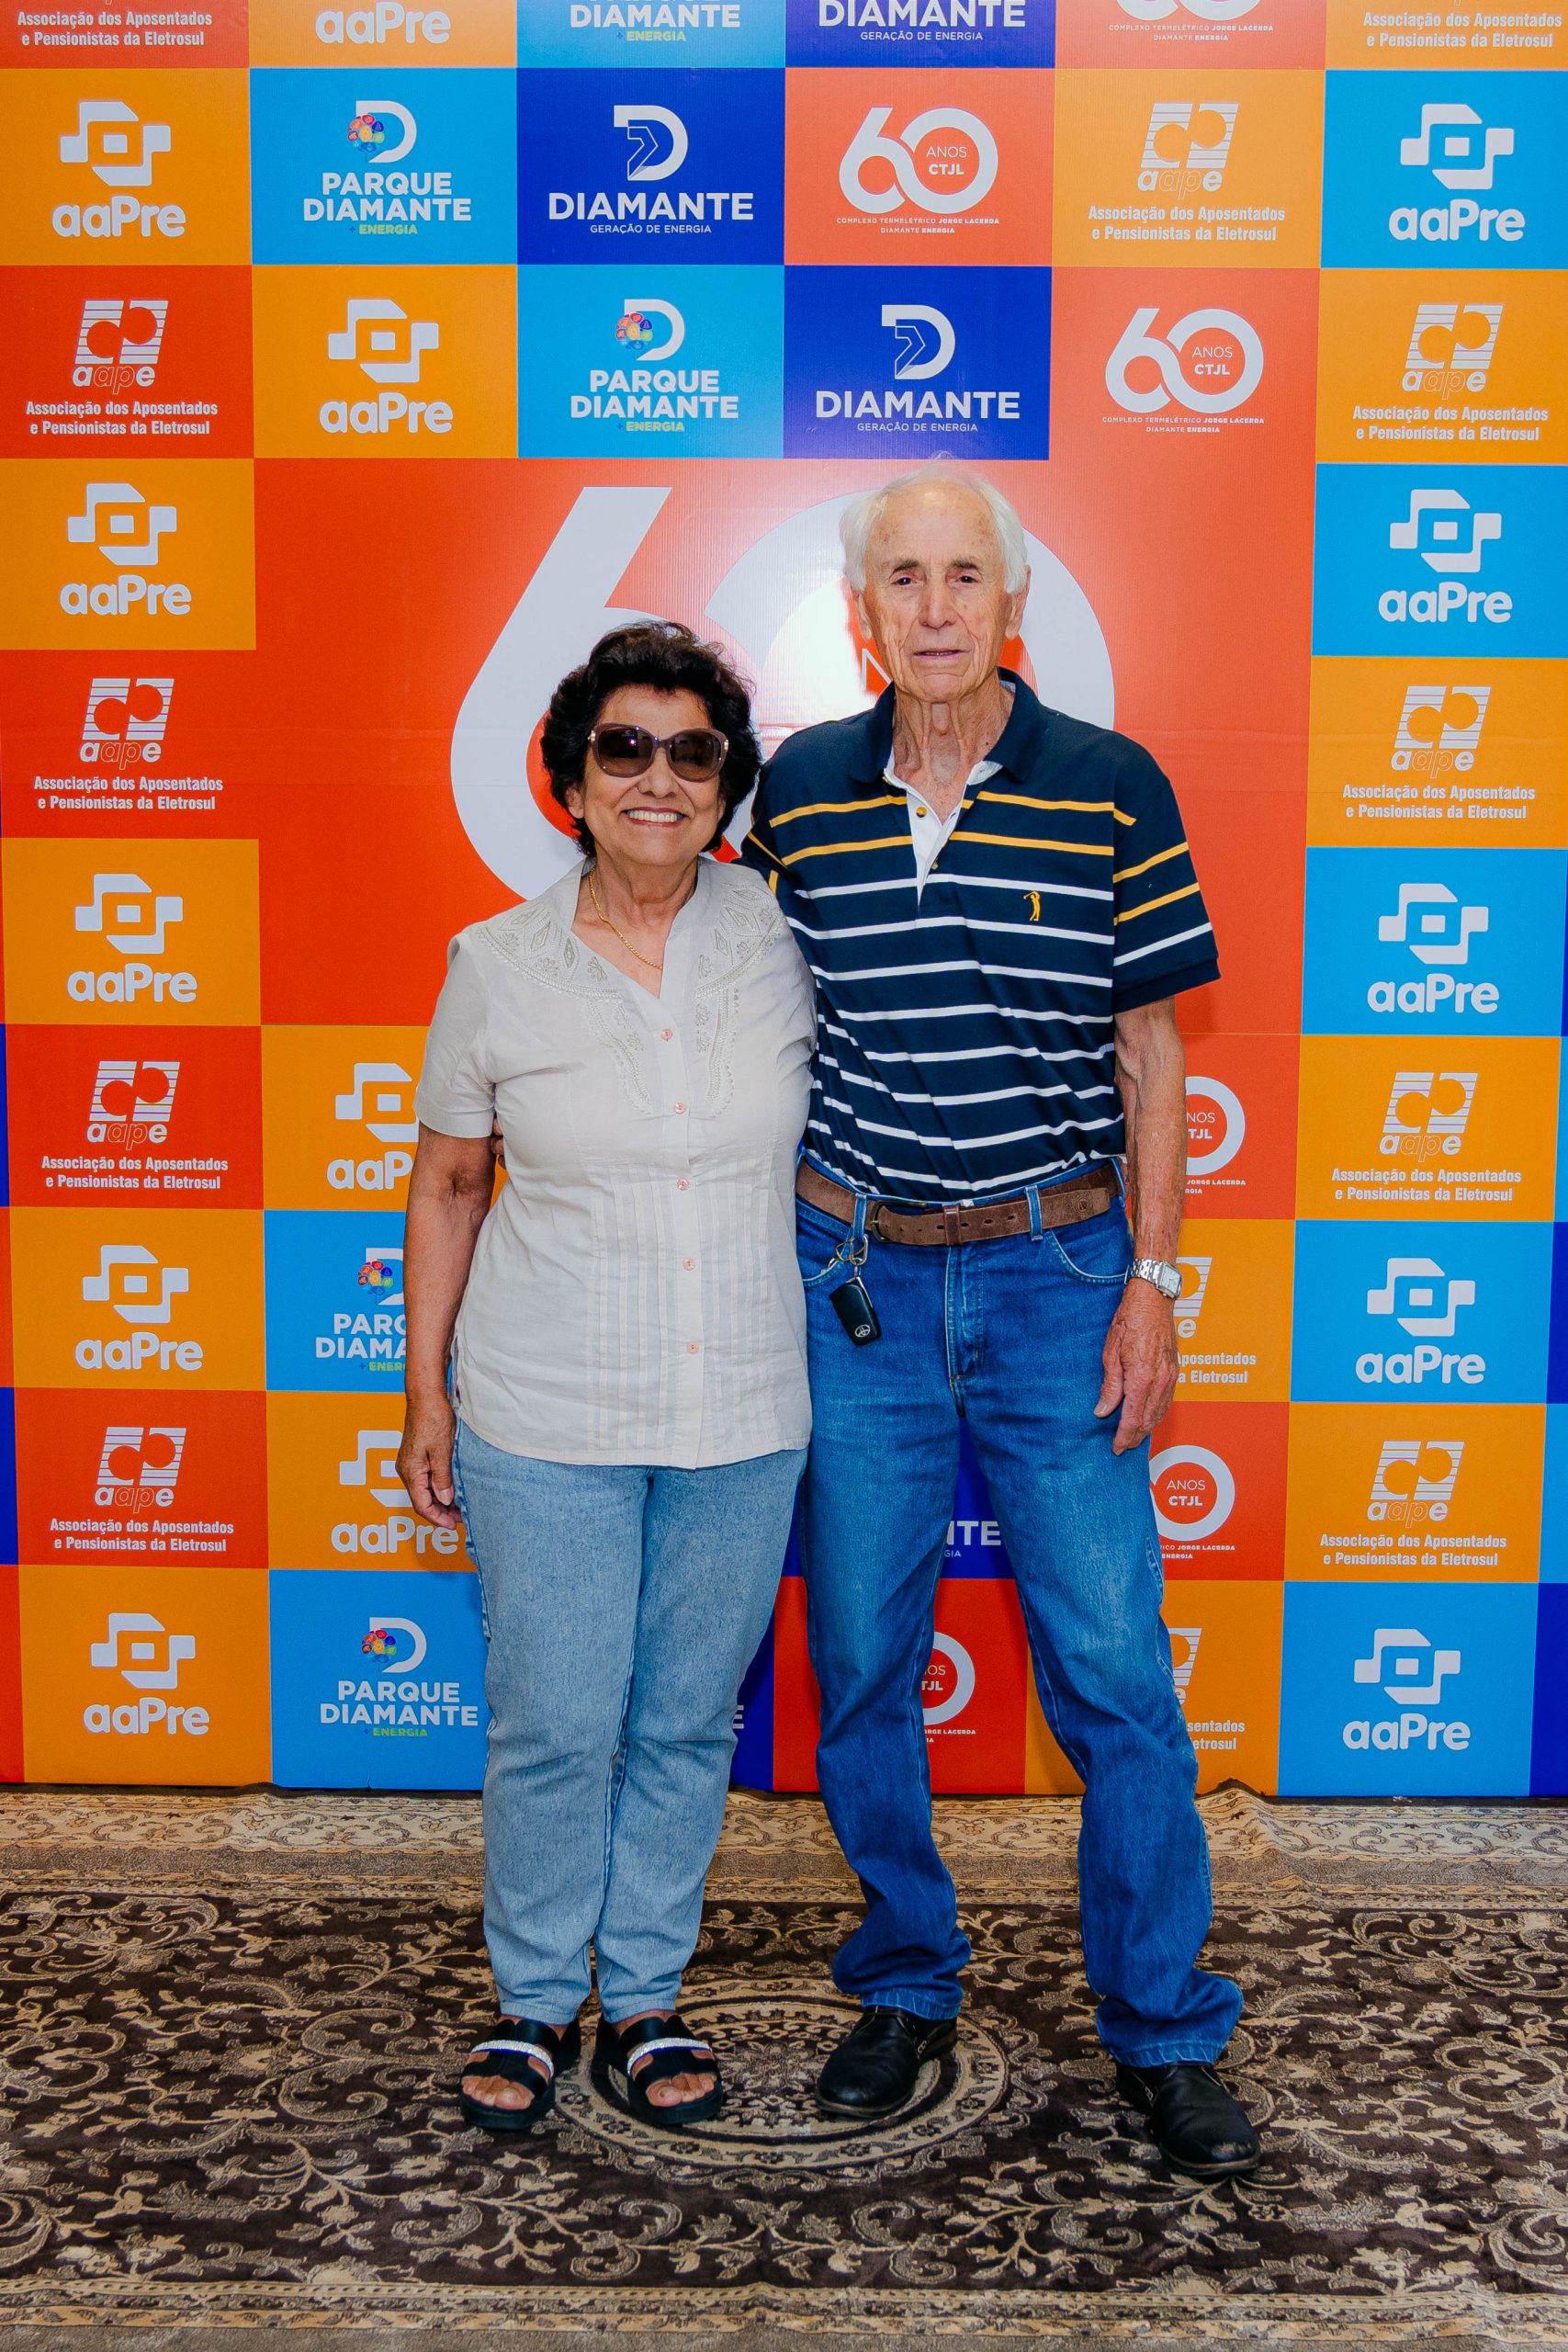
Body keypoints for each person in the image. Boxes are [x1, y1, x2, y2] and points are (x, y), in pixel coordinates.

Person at [743, 466, 1261, 2179]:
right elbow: (752, 1011)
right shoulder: (799, 793)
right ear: (862, 612)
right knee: (861, 1661)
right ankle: (904, 1979)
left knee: (1112, 1669)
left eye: (965, 574)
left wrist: (1151, 1285)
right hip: (858, 1283)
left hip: (1058, 1277)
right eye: (904, 577)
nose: (937, 607)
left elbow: (1152, 1058)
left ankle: (1164, 2029)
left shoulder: (1111, 783)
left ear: (1011, 599)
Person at [399, 621, 814, 2135]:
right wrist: (425, 1393)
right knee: (556, 1721)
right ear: (571, 781)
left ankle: (641, 1993)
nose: (658, 778)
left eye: (693, 752)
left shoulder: (788, 940)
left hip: (746, 1409)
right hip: (545, 1407)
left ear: (727, 785)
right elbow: (449, 1183)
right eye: (623, 748)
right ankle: (530, 1997)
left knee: (689, 1722)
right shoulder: (495, 966)